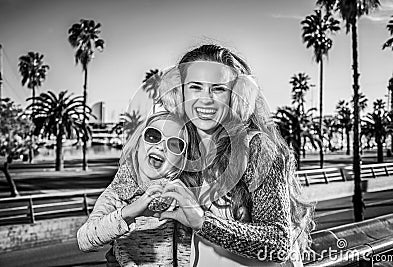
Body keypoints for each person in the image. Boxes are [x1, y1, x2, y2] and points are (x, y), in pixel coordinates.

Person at [156, 44, 315, 266]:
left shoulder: (257, 147)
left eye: (218, 89)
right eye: (195, 87)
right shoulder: (177, 149)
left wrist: (203, 222)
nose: (206, 99)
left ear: (238, 97)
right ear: (178, 93)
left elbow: (278, 241)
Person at [77, 111, 198, 267]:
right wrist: (130, 212)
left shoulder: (184, 195)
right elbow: (84, 240)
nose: (161, 147)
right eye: (153, 136)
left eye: (175, 144)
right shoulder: (119, 192)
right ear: (138, 142)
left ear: (182, 159)